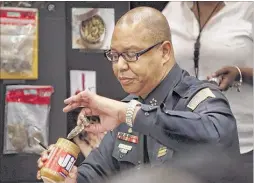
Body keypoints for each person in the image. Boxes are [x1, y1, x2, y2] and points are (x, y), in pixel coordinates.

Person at [37, 7, 240, 183]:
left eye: (132, 55)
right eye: (114, 56)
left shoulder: (200, 98)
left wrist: (131, 114)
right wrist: (72, 178)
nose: (120, 66)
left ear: (165, 52)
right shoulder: (127, 109)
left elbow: (217, 139)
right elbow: (97, 171)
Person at [162, 0, 253, 172]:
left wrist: (241, 73)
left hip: (243, 143)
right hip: (183, 142)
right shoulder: (173, 9)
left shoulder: (248, 7)